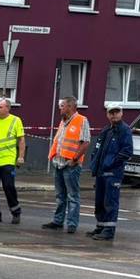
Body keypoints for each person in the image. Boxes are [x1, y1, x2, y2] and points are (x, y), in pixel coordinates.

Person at [42, 97, 90, 234]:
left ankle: (72, 224)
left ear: (70, 107)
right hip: (58, 163)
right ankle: (58, 221)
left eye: (62, 106)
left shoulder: (82, 120)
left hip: (71, 165)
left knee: (72, 196)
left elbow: (85, 142)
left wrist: (74, 159)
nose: (60, 108)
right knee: (60, 195)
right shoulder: (63, 122)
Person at [87, 104, 133, 241]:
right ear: (107, 114)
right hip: (101, 172)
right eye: (111, 112)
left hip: (113, 173)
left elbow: (127, 152)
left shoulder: (124, 130)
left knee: (110, 202)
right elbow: (98, 149)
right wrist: (95, 163)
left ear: (121, 113)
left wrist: (112, 164)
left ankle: (109, 230)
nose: (114, 115)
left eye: (116, 112)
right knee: (100, 202)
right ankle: (101, 226)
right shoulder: (106, 130)